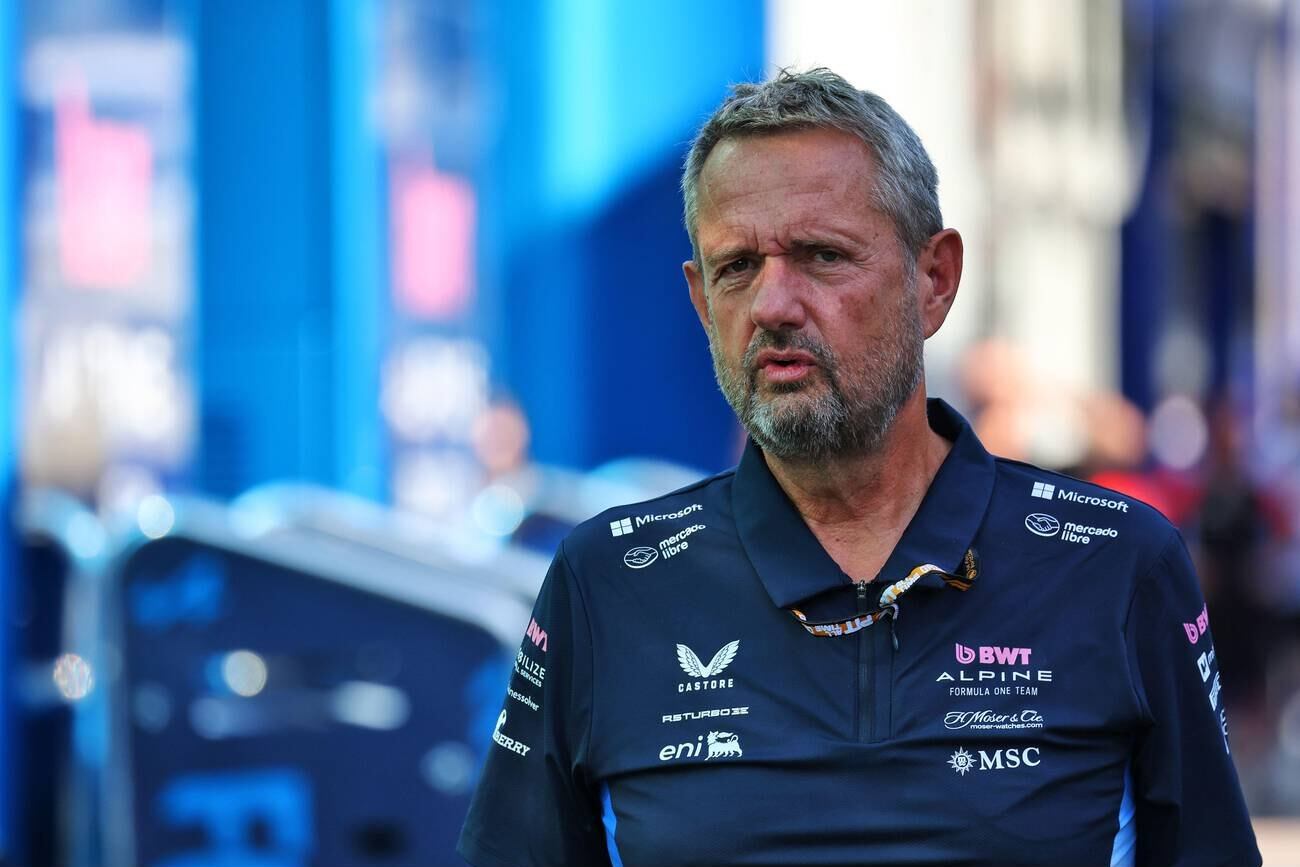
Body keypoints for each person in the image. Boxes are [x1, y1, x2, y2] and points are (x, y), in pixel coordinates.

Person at [458, 68, 1261, 867]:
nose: (773, 305)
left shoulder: (1117, 567)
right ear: (701, 302)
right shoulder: (606, 582)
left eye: (821, 256)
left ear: (934, 280)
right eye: (737, 267)